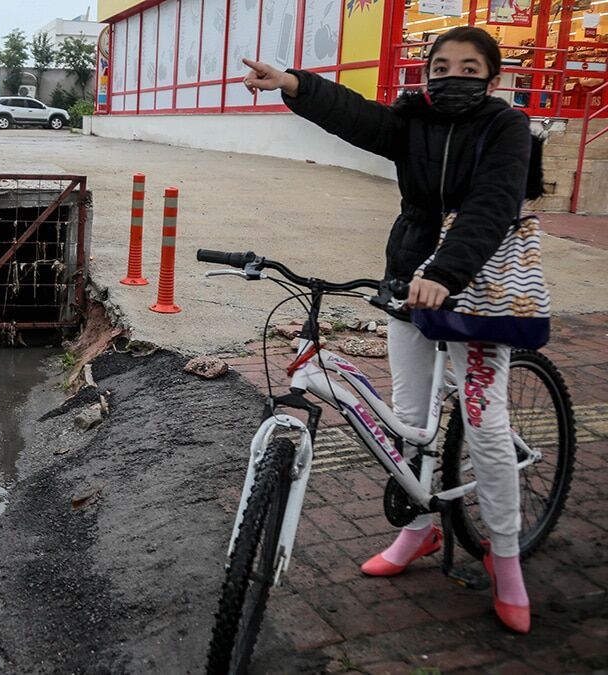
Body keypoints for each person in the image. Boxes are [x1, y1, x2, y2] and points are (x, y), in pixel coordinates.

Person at [241, 26, 533, 634]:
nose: (453, 77)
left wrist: (448, 272)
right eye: (442, 65)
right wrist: (294, 84)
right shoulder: (412, 119)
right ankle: (417, 531)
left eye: (469, 68)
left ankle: (506, 558)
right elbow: (359, 119)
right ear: (427, 72)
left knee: (485, 423)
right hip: (409, 281)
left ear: (492, 77)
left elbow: (494, 203)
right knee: (406, 416)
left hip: (474, 288)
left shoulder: (506, 129)